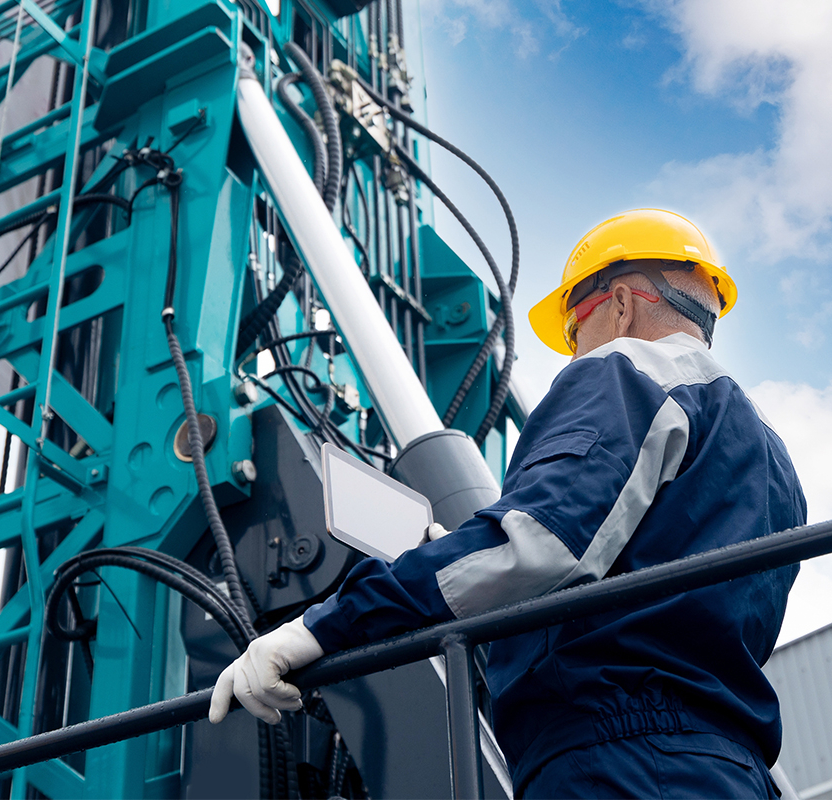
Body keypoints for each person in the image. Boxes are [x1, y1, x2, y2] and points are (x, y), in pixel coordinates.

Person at [210, 209, 806, 798]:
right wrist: (459, 573)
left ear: (620, 303)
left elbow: (537, 543)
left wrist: (323, 626)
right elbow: (649, 603)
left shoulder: (625, 370)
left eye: (576, 329)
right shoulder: (773, 461)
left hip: (615, 760)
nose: (574, 355)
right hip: (729, 768)